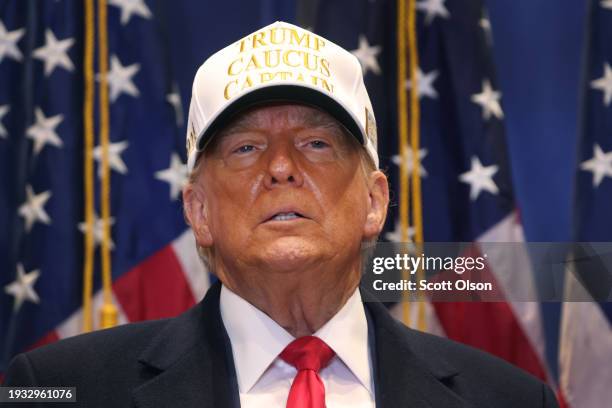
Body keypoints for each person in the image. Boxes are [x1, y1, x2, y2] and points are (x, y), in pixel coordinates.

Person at [4, 21, 558, 407]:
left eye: (316, 143)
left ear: (374, 201)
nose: (282, 168)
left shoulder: (508, 398)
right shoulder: (58, 390)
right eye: (245, 148)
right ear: (198, 211)